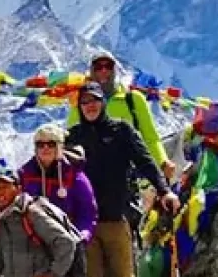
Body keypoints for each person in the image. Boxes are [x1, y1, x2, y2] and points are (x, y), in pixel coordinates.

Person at [65, 83, 180, 277]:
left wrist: (164, 191)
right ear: (79, 107)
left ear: (103, 102)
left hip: (117, 216)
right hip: (84, 223)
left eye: (94, 101)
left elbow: (145, 161)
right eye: (84, 103)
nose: (90, 106)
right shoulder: (73, 137)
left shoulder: (122, 130)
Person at [18, 123, 97, 277]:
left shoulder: (75, 176)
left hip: (66, 249)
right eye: (40, 144)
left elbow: (88, 213)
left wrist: (82, 237)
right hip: (33, 249)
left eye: (51, 144)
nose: (45, 149)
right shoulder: (24, 174)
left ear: (60, 147)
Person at [67, 53, 175, 182]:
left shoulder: (133, 99)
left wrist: (162, 161)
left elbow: (150, 138)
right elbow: (72, 143)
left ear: (115, 70)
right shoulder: (80, 103)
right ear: (91, 71)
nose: (103, 70)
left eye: (108, 66)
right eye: (98, 67)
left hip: (129, 176)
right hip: (92, 177)